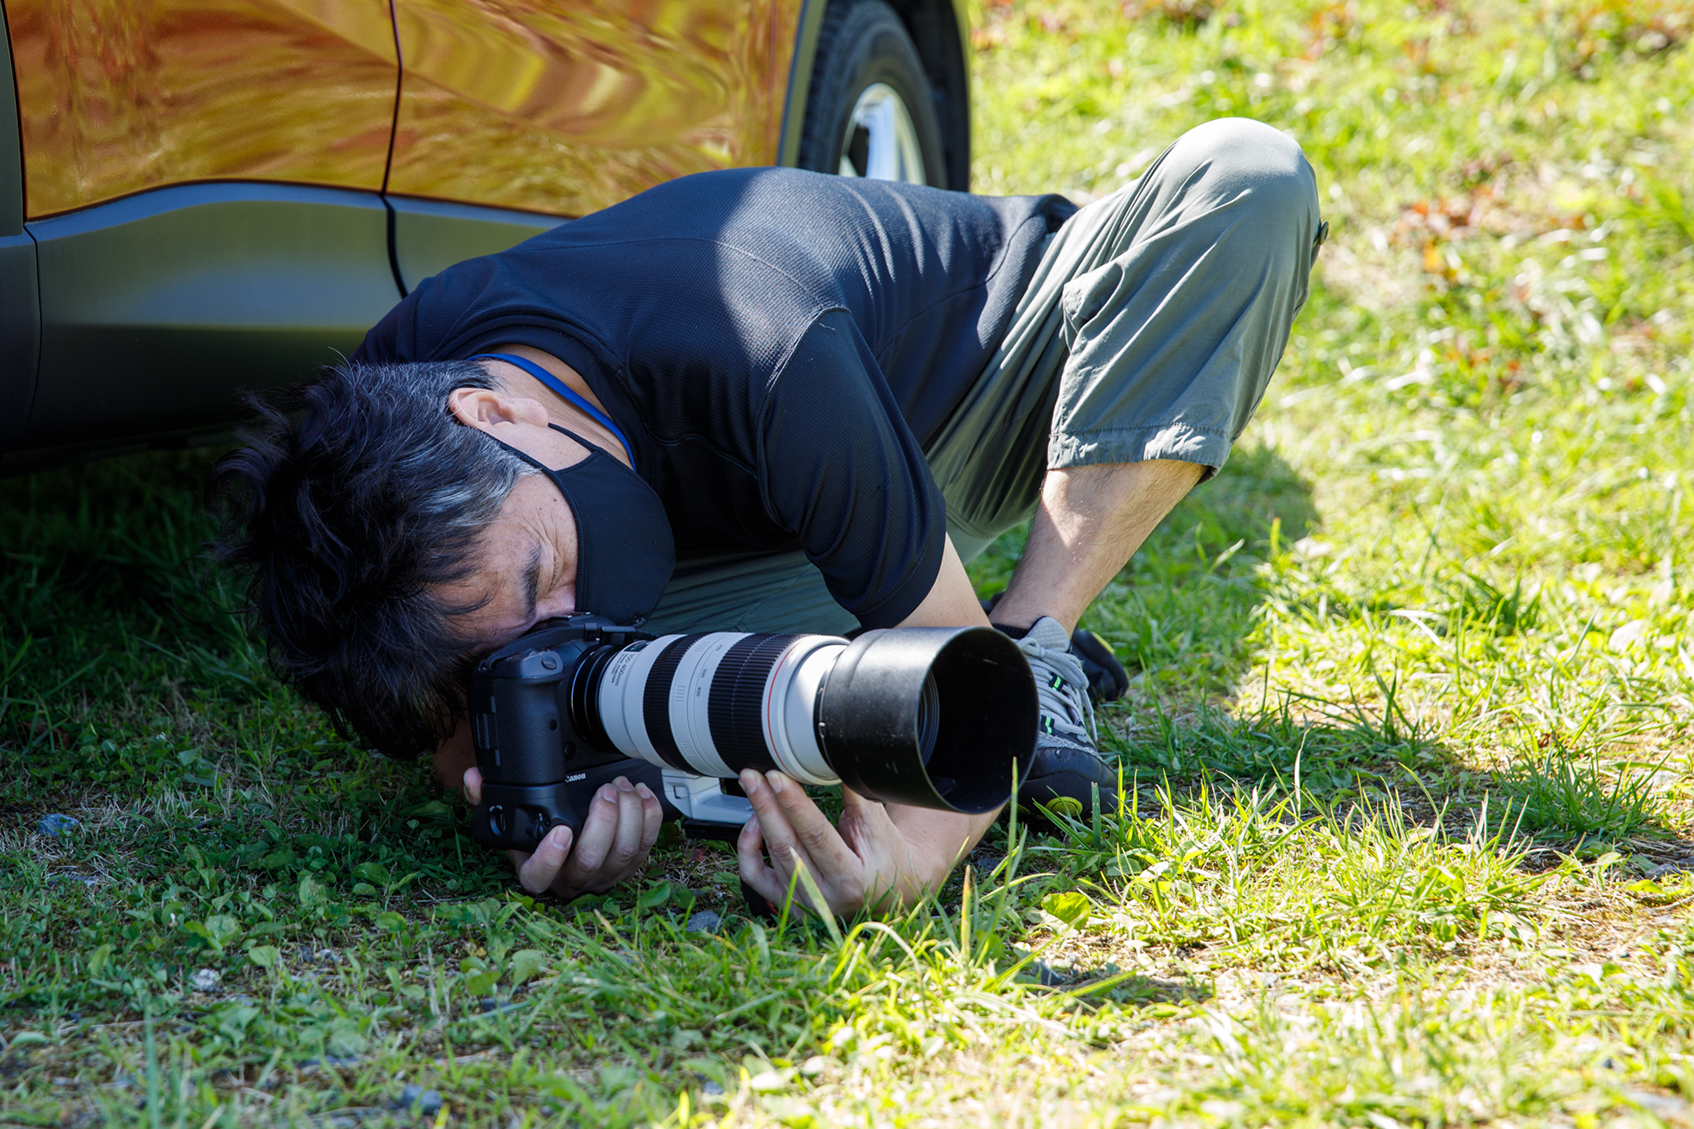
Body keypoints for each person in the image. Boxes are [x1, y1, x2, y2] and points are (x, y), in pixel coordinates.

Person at [212, 117, 1322, 918]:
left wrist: (905, 867)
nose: (571, 623)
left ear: (498, 412)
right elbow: (463, 713)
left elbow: (960, 717)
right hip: (752, 534)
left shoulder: (753, 333)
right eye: (523, 629)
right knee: (597, 666)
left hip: (976, 402)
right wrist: (548, 802)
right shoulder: (384, 429)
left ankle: (1036, 636)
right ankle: (853, 631)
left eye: (546, 572)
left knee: (1247, 175)